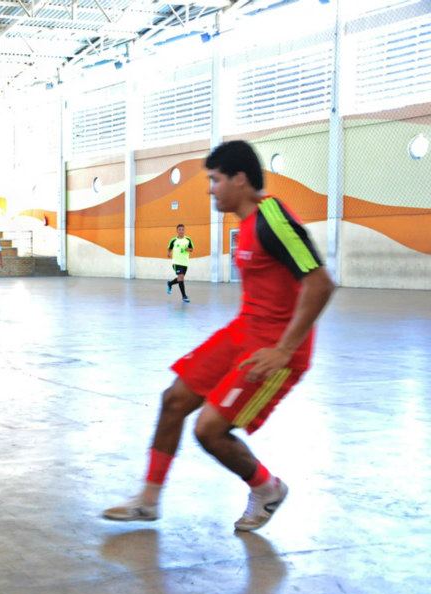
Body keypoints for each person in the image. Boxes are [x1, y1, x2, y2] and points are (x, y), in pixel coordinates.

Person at [102, 140, 335, 533]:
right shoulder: (244, 226)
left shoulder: (271, 217)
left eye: (215, 179)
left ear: (240, 179)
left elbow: (320, 283)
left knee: (208, 430)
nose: (210, 188)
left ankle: (267, 488)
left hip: (276, 350)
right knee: (174, 399)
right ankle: (148, 501)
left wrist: (284, 349)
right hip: (244, 331)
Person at [167, 224, 194, 303]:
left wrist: (187, 249)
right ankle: (184, 296)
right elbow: (169, 248)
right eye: (180, 229)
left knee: (180, 278)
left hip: (185, 263)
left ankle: (170, 283)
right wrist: (169, 253)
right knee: (181, 277)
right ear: (177, 231)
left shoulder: (188, 240)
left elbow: (191, 249)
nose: (181, 231)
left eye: (182, 229)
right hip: (176, 262)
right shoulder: (173, 240)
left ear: (184, 230)